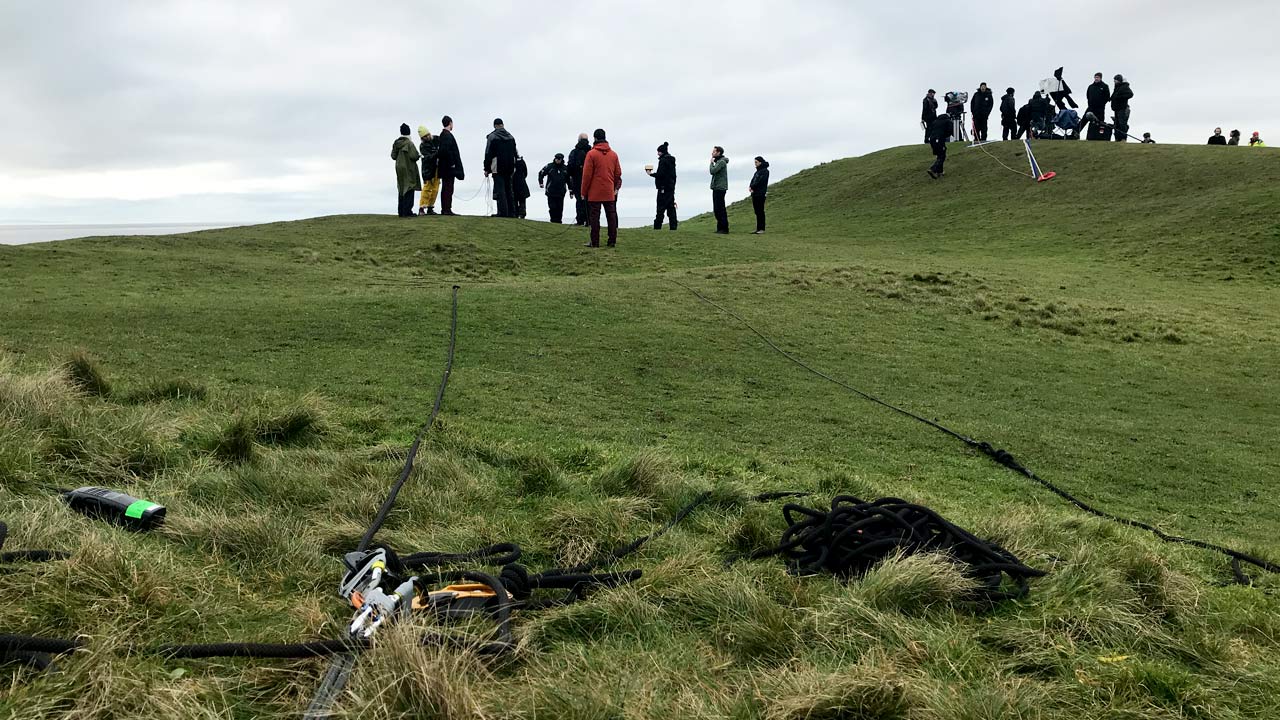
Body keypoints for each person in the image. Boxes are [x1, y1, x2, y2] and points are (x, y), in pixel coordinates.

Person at [579, 128, 622, 248]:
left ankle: (595, 242)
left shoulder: (591, 154)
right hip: (609, 191)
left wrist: (583, 192)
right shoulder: (613, 154)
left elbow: (586, 176)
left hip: (594, 192)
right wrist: (613, 186)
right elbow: (618, 173)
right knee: (611, 216)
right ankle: (612, 240)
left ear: (595, 139)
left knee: (594, 217)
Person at [484, 118, 519, 217]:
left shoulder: (492, 137)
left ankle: (503, 212)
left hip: (498, 166)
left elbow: (488, 153)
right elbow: (515, 153)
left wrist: (486, 168)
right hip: (510, 166)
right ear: (503, 125)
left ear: (495, 125)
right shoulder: (511, 137)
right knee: (509, 189)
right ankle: (512, 212)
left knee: (500, 189)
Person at [391, 123, 421, 218]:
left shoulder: (396, 143)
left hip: (399, 167)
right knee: (409, 187)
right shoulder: (409, 143)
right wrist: (419, 155)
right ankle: (407, 211)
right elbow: (414, 156)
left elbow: (393, 156)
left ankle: (401, 211)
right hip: (408, 168)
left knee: (401, 187)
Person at [646, 142, 678, 230]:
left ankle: (657, 226)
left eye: (659, 152)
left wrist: (651, 174)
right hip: (671, 187)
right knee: (671, 208)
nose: (658, 153)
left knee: (660, 207)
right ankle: (673, 227)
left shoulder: (663, 161)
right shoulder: (671, 160)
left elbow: (661, 174)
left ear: (662, 152)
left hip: (663, 188)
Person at [437, 116, 464, 216]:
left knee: (446, 187)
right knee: (448, 188)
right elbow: (447, 151)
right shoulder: (447, 135)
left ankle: (445, 208)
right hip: (448, 167)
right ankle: (447, 209)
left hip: (444, 167)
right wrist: (452, 164)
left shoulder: (443, 135)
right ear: (450, 123)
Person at [537, 153, 571, 223]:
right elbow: (541, 173)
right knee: (552, 207)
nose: (557, 160)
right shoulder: (550, 166)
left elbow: (569, 180)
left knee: (560, 208)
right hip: (551, 191)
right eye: (556, 159)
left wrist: (571, 190)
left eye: (559, 159)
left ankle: (559, 221)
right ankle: (553, 221)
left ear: (562, 159)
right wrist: (541, 182)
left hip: (561, 192)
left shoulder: (565, 168)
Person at [567, 133, 591, 226]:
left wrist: (571, 176)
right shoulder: (591, 150)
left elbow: (570, 167)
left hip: (577, 179)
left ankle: (580, 220)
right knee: (589, 201)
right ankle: (589, 221)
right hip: (590, 180)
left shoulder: (575, 152)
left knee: (579, 200)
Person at [417, 126, 441, 216]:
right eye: (425, 136)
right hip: (428, 169)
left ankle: (430, 207)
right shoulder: (423, 146)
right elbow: (428, 158)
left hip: (437, 168)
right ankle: (422, 207)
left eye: (427, 135)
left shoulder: (436, 139)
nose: (427, 137)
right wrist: (437, 153)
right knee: (427, 188)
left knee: (435, 189)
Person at [926, 114, 953, 179]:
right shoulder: (948, 121)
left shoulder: (935, 122)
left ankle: (939, 172)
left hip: (932, 140)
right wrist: (944, 136)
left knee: (939, 155)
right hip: (939, 139)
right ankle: (933, 169)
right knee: (942, 156)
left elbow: (929, 130)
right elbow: (950, 131)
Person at [709, 146, 729, 234]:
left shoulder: (721, 162)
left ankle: (724, 228)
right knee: (717, 209)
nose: (712, 153)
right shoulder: (719, 161)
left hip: (720, 188)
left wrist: (711, 163)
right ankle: (720, 228)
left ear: (718, 153)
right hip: (716, 187)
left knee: (720, 208)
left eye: (714, 151)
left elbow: (712, 171)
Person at [1085, 73, 1111, 141]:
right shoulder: (1091, 86)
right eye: (1095, 77)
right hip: (1091, 107)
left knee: (1100, 122)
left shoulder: (1105, 86)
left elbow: (1107, 97)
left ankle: (1100, 137)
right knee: (1088, 121)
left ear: (1101, 78)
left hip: (1100, 108)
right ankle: (1088, 136)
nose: (1096, 78)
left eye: (1098, 77)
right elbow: (1088, 96)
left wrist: (1102, 104)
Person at [748, 156, 770, 234]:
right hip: (755, 193)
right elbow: (753, 180)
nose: (755, 164)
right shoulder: (757, 171)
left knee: (760, 211)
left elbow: (760, 181)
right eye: (755, 162)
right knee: (757, 211)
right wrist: (750, 186)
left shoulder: (765, 171)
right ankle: (758, 228)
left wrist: (753, 186)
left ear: (760, 162)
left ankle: (762, 228)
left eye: (756, 162)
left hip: (760, 193)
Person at [1111, 74, 1134, 142]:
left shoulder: (1124, 87)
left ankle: (1123, 138)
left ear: (1119, 80)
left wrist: (1120, 97)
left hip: (1122, 108)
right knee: (1117, 124)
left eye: (1115, 80)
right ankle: (1117, 138)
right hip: (1116, 108)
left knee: (1122, 124)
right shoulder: (1117, 87)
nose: (1114, 81)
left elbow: (1130, 94)